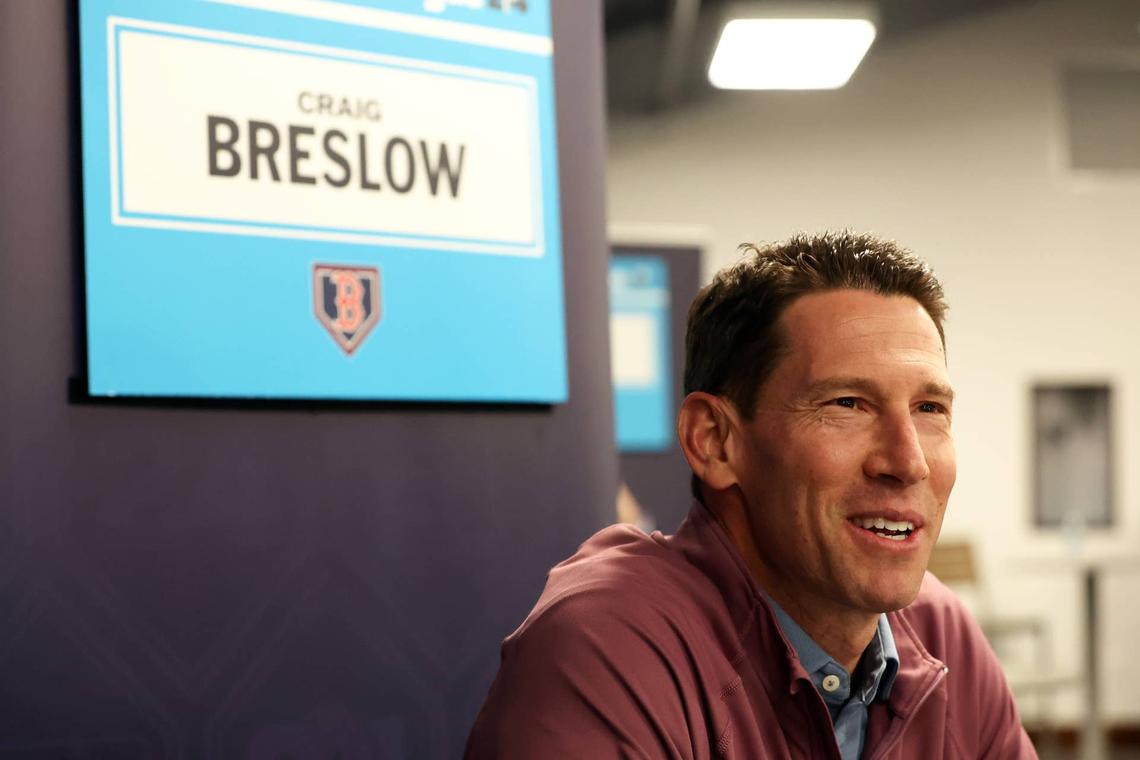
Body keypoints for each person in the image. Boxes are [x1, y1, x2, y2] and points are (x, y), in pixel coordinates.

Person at [466, 232, 1036, 759]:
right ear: (714, 441)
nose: (908, 462)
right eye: (846, 404)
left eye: (929, 409)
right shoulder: (608, 645)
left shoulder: (941, 635)